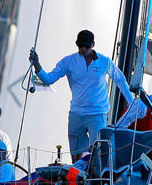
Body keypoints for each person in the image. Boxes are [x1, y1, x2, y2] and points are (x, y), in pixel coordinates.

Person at [29, 29, 134, 162]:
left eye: (86, 46)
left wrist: (132, 102)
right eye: (80, 46)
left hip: (97, 114)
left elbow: (120, 80)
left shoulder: (104, 61)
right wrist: (37, 64)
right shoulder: (68, 62)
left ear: (93, 45)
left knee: (97, 156)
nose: (83, 49)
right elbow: (48, 79)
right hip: (76, 115)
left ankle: (96, 173)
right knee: (77, 159)